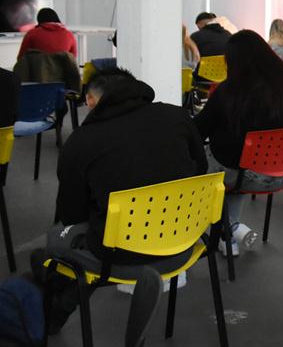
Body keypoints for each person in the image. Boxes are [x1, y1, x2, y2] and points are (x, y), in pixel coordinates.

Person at [38, 67, 208, 327]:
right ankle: (58, 308)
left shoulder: (81, 141)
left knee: (57, 240)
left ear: (91, 100)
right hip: (183, 242)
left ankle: (53, 315)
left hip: (119, 256)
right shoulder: (176, 116)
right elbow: (201, 169)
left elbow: (72, 214)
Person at [193, 30, 283, 254]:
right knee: (235, 160)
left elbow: (197, 132)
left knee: (207, 162)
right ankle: (230, 229)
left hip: (245, 176)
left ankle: (221, 231)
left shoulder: (230, 91)